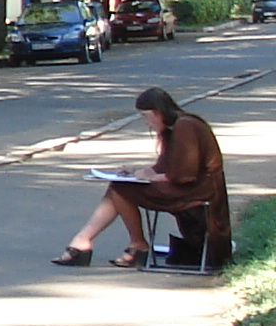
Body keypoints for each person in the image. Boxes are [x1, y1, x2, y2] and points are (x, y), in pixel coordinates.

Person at [53, 87, 230, 269]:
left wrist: (154, 177)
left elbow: (185, 174)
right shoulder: (175, 128)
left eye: (146, 116)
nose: (146, 123)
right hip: (191, 188)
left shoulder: (186, 125)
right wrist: (137, 172)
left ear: (159, 112)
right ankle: (86, 240)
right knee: (120, 186)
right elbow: (166, 166)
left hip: (200, 190)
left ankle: (132, 244)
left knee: (120, 189)